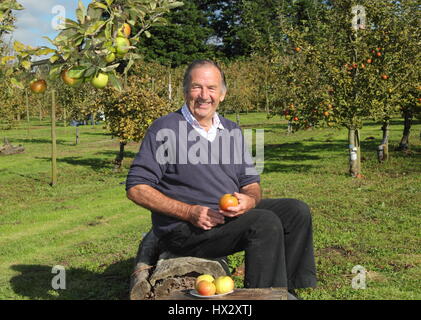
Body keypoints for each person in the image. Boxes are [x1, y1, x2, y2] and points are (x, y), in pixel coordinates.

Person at [126, 60, 317, 298]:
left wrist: (249, 200)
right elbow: (136, 187)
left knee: (295, 211)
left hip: (224, 218)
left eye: (212, 88)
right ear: (185, 91)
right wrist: (188, 212)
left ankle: (287, 289)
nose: (204, 95)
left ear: (223, 94)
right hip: (185, 229)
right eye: (197, 87)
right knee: (263, 223)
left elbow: (251, 183)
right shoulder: (166, 129)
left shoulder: (232, 131)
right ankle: (261, 296)